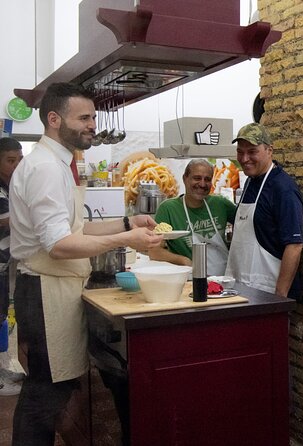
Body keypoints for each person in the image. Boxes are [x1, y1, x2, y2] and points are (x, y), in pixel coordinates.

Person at [9, 82, 163, 445]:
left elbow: (75, 227)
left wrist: (128, 222)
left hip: (52, 287)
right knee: (44, 394)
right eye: (84, 117)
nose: (92, 124)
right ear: (53, 118)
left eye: (93, 117)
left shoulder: (59, 162)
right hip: (44, 289)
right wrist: (127, 239)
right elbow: (59, 244)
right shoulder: (46, 168)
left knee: (48, 390)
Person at [225, 123, 303, 298]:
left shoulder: (283, 188)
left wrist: (280, 295)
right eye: (240, 151)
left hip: (267, 290)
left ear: (269, 150)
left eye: (252, 152)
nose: (244, 158)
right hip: (241, 286)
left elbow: (294, 246)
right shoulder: (250, 182)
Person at [149, 159, 236, 275]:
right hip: (192, 278)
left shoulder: (220, 204)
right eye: (197, 178)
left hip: (225, 277)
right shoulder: (168, 209)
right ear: (185, 178)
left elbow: (247, 223)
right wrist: (183, 260)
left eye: (207, 179)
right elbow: (155, 252)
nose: (202, 184)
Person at [0, 137, 25, 397]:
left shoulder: (10, 187)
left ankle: (3, 368)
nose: (16, 165)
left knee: (1, 315)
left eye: (19, 159)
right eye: (10, 161)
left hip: (4, 263)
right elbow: (8, 220)